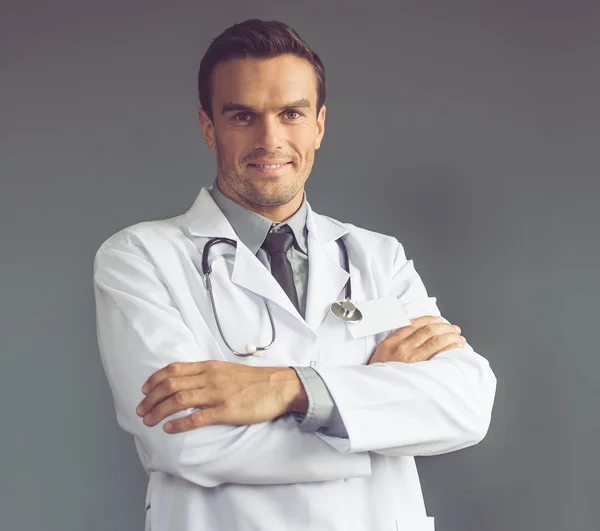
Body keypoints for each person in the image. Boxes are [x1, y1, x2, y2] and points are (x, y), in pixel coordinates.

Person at [93, 18, 496, 531]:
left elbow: (466, 405)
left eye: (291, 113)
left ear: (319, 126)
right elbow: (186, 439)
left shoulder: (378, 256)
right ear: (208, 127)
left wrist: (289, 389)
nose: (271, 139)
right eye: (243, 116)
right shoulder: (140, 257)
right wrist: (374, 412)